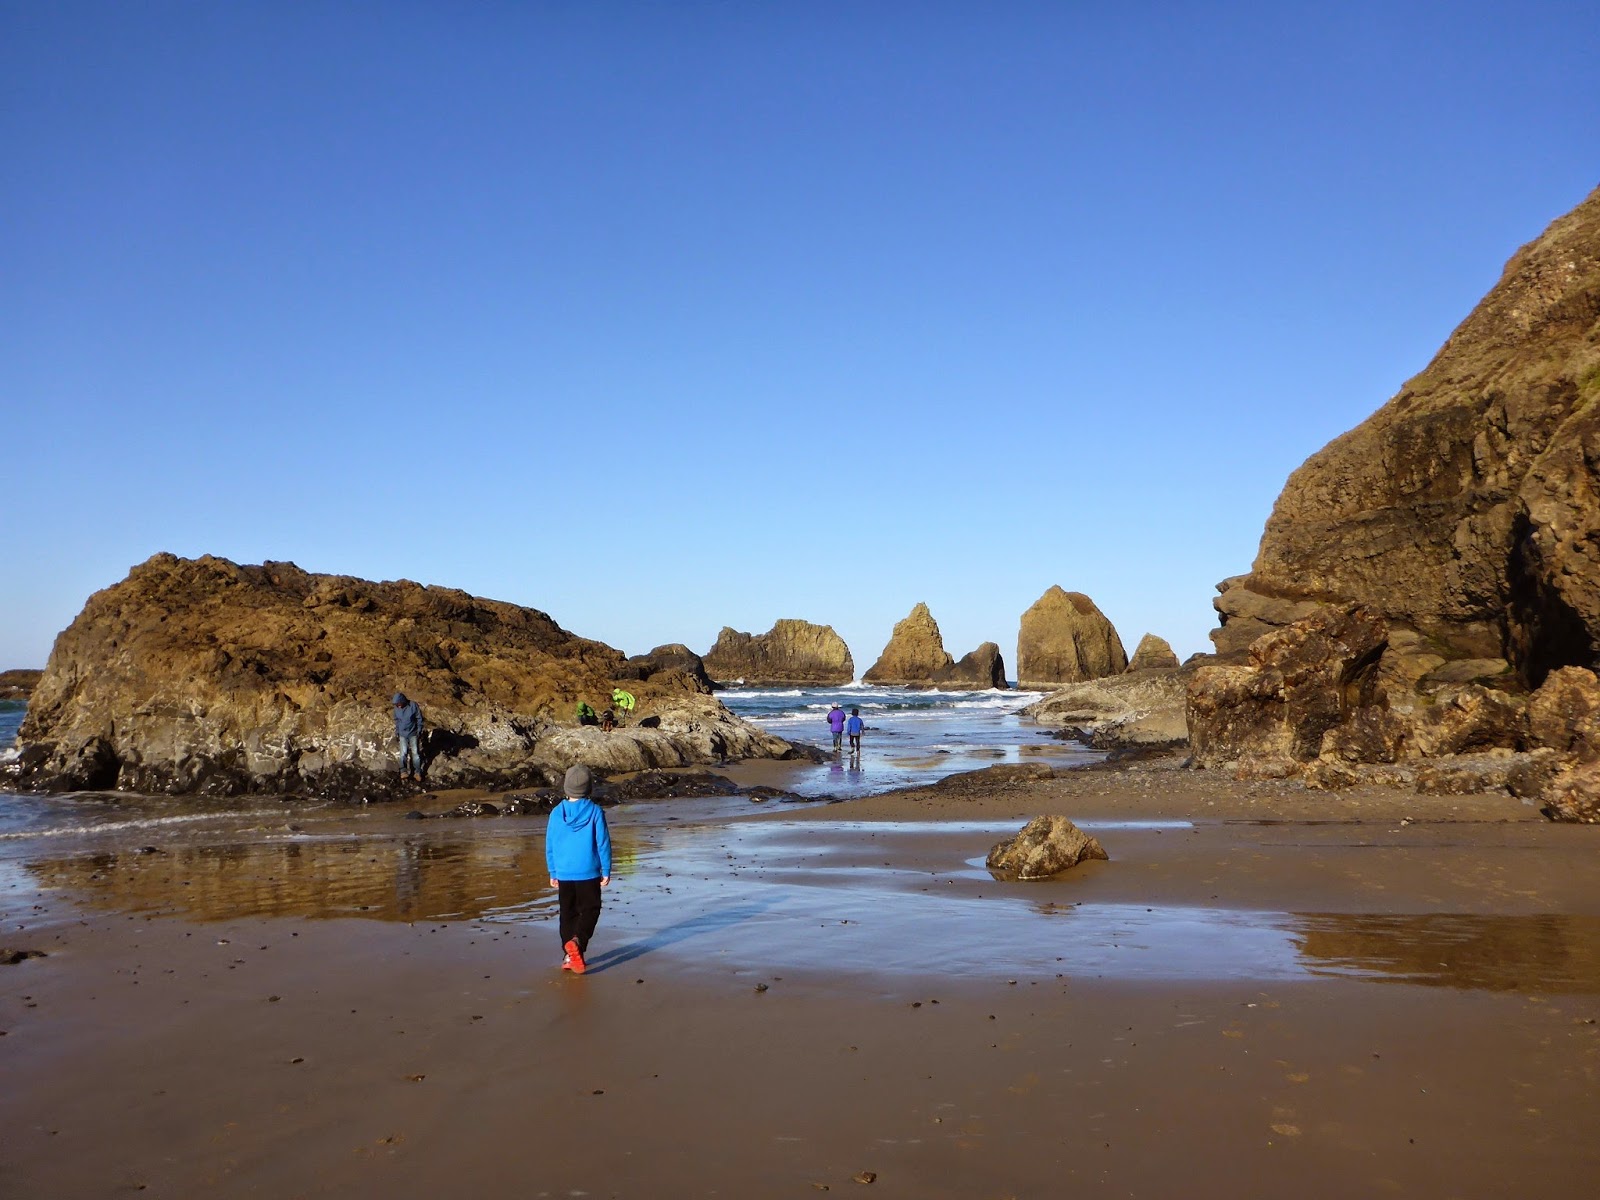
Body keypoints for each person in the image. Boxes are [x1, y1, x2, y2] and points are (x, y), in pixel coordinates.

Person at [546, 764, 612, 975]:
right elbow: (603, 842)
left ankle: (569, 955)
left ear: (566, 788)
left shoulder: (556, 813)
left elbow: (550, 843)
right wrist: (607, 869)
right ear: (589, 788)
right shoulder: (595, 811)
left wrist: (553, 871)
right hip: (588, 871)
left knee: (568, 913)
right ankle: (578, 942)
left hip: (564, 872)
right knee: (591, 909)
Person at [392, 692, 424, 781]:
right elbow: (397, 720)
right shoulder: (396, 709)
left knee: (416, 754)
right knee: (403, 754)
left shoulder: (413, 705)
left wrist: (419, 730)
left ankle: (417, 772)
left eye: (399, 703)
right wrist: (397, 732)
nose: (398, 706)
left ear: (403, 701)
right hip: (402, 734)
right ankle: (403, 771)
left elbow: (419, 718)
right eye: (396, 704)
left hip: (413, 733)